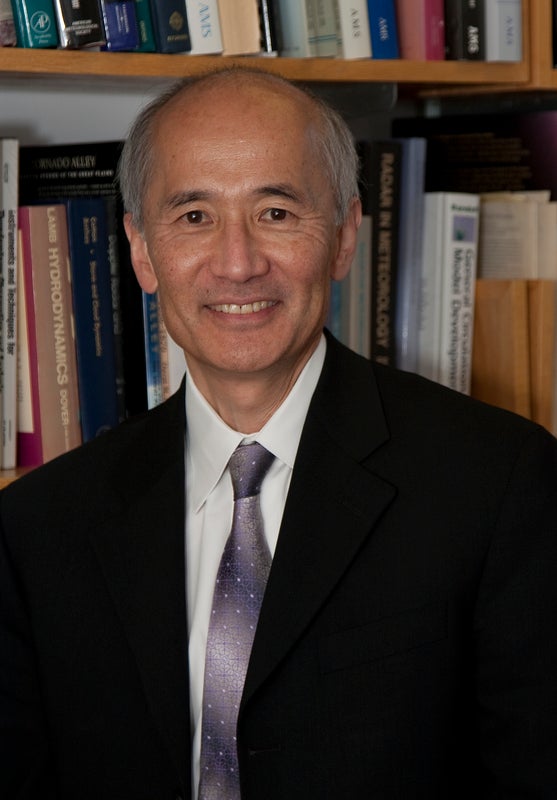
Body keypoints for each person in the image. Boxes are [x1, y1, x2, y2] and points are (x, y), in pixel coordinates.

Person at [1, 67, 557, 800]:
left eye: (275, 212)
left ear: (344, 237)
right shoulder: (37, 526)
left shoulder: (499, 485)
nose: (238, 264)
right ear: (140, 250)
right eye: (193, 216)